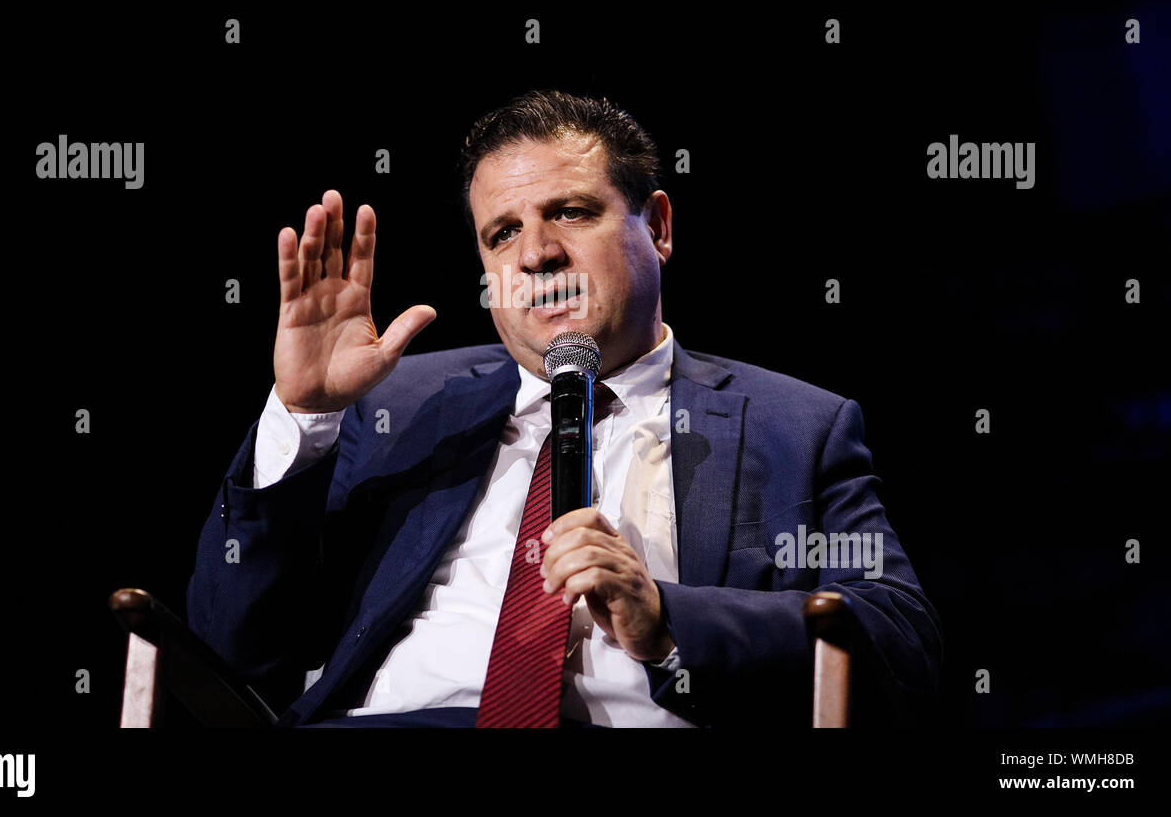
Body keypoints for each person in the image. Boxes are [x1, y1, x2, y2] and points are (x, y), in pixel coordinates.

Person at [187, 89, 942, 727]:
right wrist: (304, 416)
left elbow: (898, 638)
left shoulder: (792, 424)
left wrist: (666, 618)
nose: (535, 253)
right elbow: (232, 648)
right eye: (502, 232)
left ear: (660, 226)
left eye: (572, 212)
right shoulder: (400, 405)